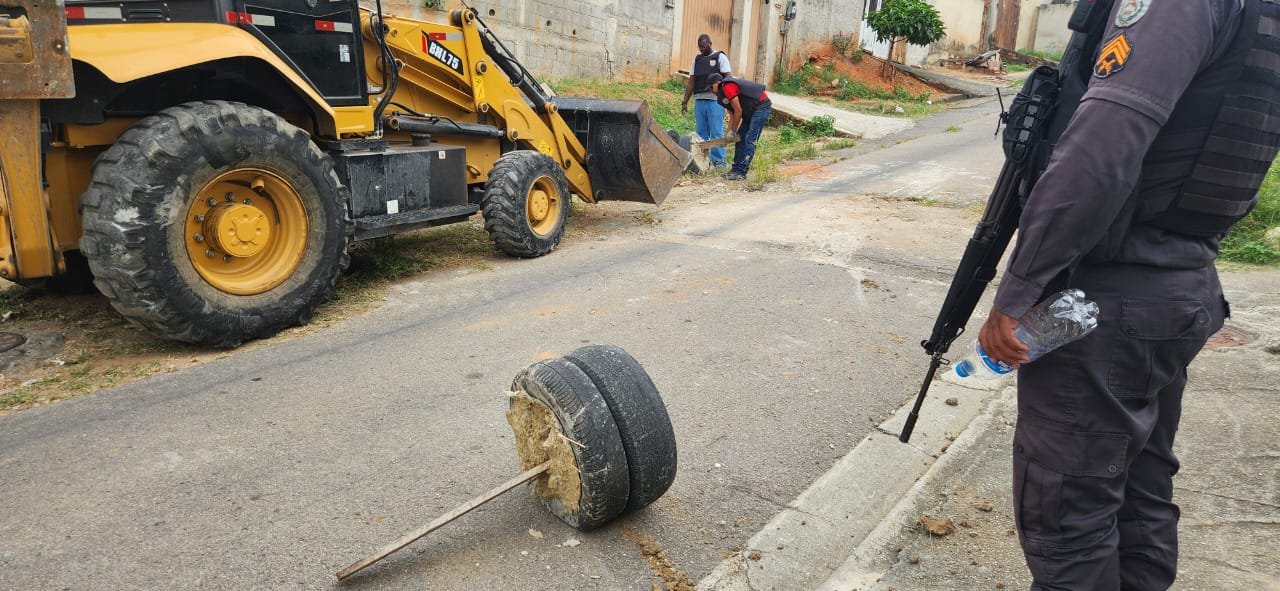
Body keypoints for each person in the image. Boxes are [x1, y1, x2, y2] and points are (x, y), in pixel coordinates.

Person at [976, 0, 1279, 589]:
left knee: (1067, 520)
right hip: (1177, 286)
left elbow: (1100, 149)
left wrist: (1018, 290)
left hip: (1106, 301)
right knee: (1139, 492)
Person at [707, 73, 772, 181]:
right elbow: (732, 116)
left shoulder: (727, 86)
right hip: (750, 109)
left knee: (750, 140)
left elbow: (738, 112)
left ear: (717, 83)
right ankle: (735, 170)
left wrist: (732, 131)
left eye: (710, 87)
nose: (711, 91)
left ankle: (741, 172)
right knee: (740, 139)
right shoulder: (722, 96)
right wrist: (728, 134)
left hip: (761, 106)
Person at [681, 34, 732, 169]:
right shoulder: (696, 61)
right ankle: (701, 162)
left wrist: (728, 100)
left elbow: (728, 79)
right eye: (699, 47)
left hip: (715, 101)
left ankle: (719, 162)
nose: (701, 49)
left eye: (703, 46)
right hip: (699, 101)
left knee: (716, 132)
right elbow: (691, 83)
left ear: (710, 43)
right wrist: (684, 102)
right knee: (701, 133)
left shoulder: (720, 57)